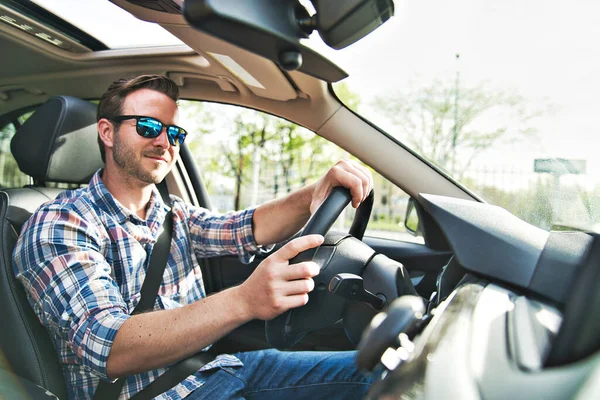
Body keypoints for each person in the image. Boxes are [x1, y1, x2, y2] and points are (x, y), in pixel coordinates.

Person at [13, 75, 374, 400]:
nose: (163, 141)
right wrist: (245, 300)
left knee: (382, 373)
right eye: (148, 126)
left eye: (174, 133)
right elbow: (111, 346)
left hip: (217, 370)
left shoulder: (170, 212)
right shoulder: (60, 225)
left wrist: (314, 194)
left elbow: (245, 228)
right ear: (107, 133)